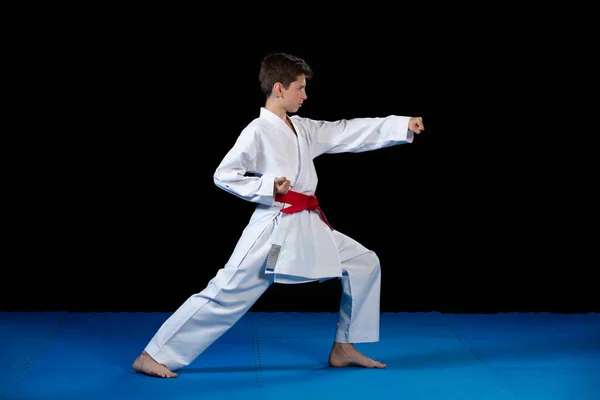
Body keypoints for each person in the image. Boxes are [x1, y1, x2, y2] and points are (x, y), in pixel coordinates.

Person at [133, 52, 425, 378]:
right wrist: (268, 186)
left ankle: (344, 346)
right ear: (279, 89)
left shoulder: (302, 128)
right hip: (274, 226)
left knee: (364, 262)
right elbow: (224, 175)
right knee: (226, 293)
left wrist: (398, 125)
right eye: (299, 88)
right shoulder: (257, 131)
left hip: (307, 223)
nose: (305, 95)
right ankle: (152, 354)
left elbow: (344, 131)